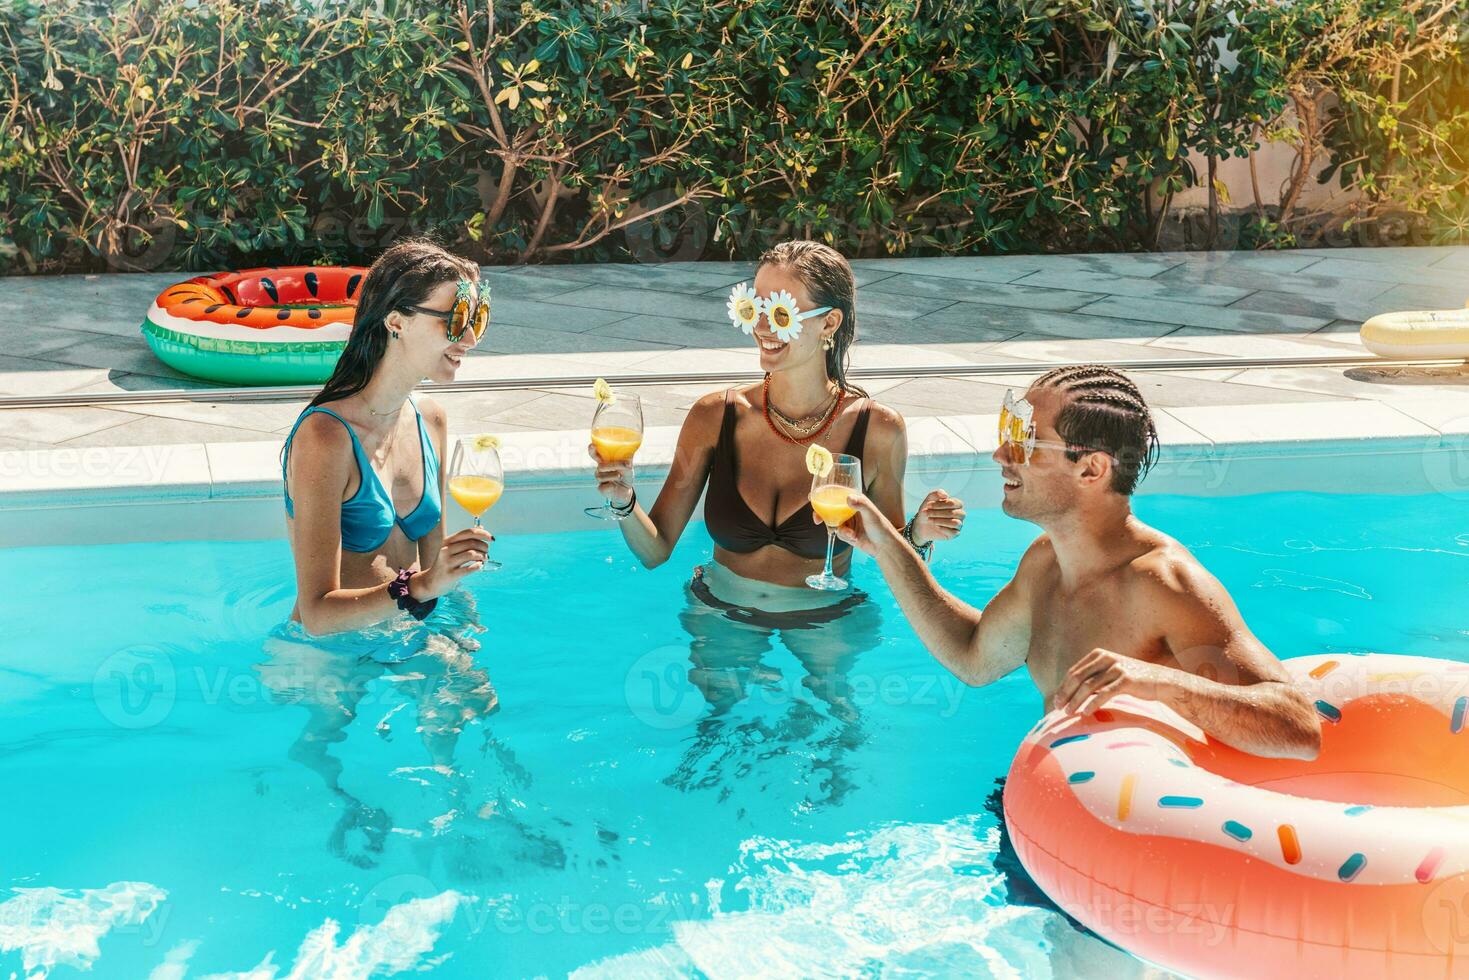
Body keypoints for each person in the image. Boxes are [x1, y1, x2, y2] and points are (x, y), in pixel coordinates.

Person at [589, 241, 966, 802]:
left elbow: (891, 558)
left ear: (828, 323)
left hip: (827, 615)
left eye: (781, 310)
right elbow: (655, 550)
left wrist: (922, 535)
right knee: (714, 735)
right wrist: (622, 500)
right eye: (753, 308)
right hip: (721, 606)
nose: (763, 325)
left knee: (838, 729)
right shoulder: (714, 416)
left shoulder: (878, 430)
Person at [835, 363, 1323, 759]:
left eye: (1024, 438)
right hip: (1049, 810)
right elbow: (973, 658)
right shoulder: (1045, 563)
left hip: (1142, 832)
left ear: (1091, 467)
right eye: (1008, 430)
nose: (1000, 453)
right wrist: (886, 547)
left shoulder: (1162, 584)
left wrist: (1158, 680)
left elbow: (1298, 725)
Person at [281, 239, 494, 636]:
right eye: (455, 318)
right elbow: (316, 616)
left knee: (477, 699)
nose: (470, 339)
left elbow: (435, 569)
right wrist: (423, 585)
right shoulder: (325, 436)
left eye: (476, 319)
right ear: (396, 322)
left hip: (408, 630)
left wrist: (461, 624)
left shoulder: (431, 420)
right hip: (330, 653)